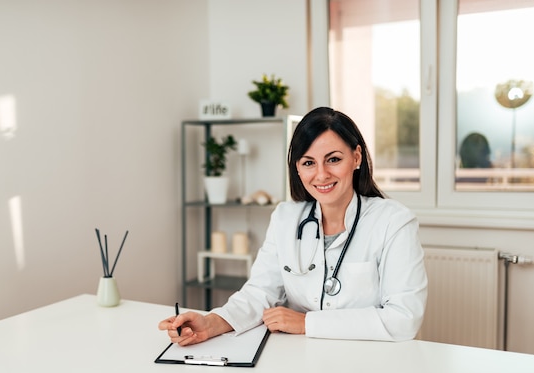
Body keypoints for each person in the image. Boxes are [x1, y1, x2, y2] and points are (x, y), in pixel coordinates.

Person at [159, 107, 427, 345]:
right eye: (309, 163)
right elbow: (260, 292)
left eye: (333, 159)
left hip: (370, 363)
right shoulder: (286, 218)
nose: (321, 174)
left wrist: (305, 323)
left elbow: (404, 319)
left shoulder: (394, 221)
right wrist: (211, 323)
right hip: (301, 358)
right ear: (297, 168)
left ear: (356, 158)